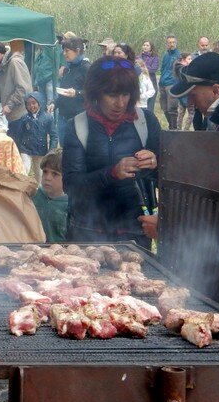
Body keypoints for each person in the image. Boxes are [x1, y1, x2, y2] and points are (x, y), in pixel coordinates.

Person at [62, 56, 161, 249]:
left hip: (134, 232)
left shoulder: (146, 122)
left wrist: (156, 163)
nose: (120, 103)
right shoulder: (78, 126)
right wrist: (112, 173)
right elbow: (71, 186)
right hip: (87, 232)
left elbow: (166, 180)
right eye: (112, 95)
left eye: (125, 94)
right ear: (96, 94)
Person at [54, 37, 91, 143]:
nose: (64, 54)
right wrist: (54, 103)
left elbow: (94, 92)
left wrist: (77, 93)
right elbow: (63, 92)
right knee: (63, 147)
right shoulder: (67, 69)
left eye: (67, 51)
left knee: (76, 147)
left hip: (78, 117)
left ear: (77, 51)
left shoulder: (87, 68)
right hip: (63, 116)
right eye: (63, 51)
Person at [19, 92, 58, 181]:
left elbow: (54, 136)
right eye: (28, 104)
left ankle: (38, 188)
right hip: (26, 149)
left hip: (40, 150)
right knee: (24, 170)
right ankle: (22, 187)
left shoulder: (48, 118)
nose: (31, 106)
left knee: (40, 175)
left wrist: (51, 152)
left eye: (34, 103)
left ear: (39, 103)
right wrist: (19, 148)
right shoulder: (24, 118)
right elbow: (20, 134)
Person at [31, 149, 68, 243]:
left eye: (55, 174)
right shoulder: (34, 195)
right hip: (34, 248)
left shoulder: (71, 204)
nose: (47, 178)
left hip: (61, 250)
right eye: (45, 172)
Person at [158, 34, 181, 129]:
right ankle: (171, 126)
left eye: (173, 42)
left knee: (172, 108)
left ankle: (174, 128)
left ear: (176, 43)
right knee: (164, 108)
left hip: (172, 84)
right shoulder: (166, 54)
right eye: (169, 42)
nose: (171, 44)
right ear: (166, 44)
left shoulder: (178, 55)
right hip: (162, 83)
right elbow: (163, 68)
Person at [173, 53, 195, 130]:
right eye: (189, 59)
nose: (191, 60)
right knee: (191, 113)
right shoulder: (183, 69)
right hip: (187, 94)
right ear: (183, 60)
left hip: (181, 94)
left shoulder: (177, 67)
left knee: (181, 113)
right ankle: (185, 130)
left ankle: (179, 129)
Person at [139, 41, 159, 113]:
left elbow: (153, 69)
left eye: (147, 45)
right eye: (144, 45)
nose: (145, 47)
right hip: (140, 82)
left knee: (149, 107)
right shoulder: (139, 57)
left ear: (151, 48)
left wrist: (142, 66)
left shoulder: (155, 57)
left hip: (151, 81)